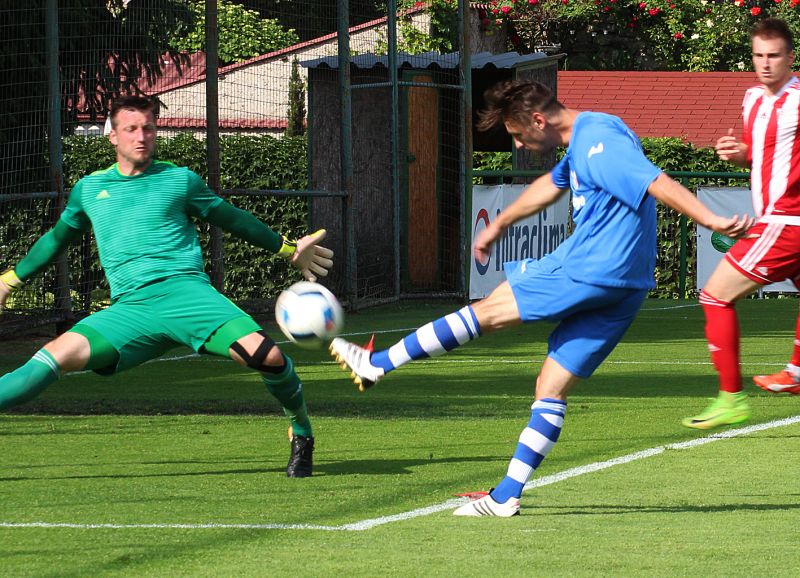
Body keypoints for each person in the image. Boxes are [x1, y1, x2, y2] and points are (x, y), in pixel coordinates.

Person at [329, 80, 752, 516]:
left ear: (537, 119)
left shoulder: (598, 142)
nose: (519, 144)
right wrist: (498, 225)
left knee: (485, 313)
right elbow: (552, 184)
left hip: (590, 267)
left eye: (517, 135)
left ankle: (377, 365)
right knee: (550, 387)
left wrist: (711, 219)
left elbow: (654, 182)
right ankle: (506, 495)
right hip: (627, 286)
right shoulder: (597, 130)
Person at [0, 95, 334, 477]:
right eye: (131, 129)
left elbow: (233, 218)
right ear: (114, 136)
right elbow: (57, 239)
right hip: (130, 311)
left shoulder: (179, 180)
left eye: (148, 128)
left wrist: (289, 249)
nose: (141, 136)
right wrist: (10, 280)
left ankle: (302, 431)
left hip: (187, 296)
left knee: (268, 358)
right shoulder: (89, 190)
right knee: (50, 359)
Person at [682, 18, 800, 430]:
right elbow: (765, 155)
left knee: (715, 296)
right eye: (759, 56)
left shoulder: (799, 99)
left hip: (788, 219)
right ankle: (797, 373)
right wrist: (740, 154)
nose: (765, 64)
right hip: (781, 217)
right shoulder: (752, 98)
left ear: (790, 57)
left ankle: (731, 398)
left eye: (774, 56)